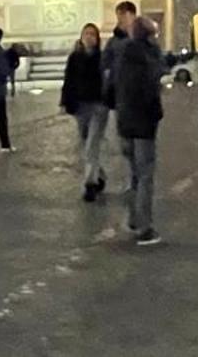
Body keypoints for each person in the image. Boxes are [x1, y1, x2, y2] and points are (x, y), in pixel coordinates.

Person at [110, 15, 165, 246]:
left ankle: (133, 219)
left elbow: (111, 86)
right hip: (143, 124)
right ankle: (144, 227)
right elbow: (150, 89)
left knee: (133, 174)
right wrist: (156, 112)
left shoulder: (121, 55)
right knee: (144, 176)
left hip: (124, 122)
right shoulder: (146, 58)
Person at [61, 23, 110, 201]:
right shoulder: (74, 57)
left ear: (97, 38)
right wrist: (64, 102)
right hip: (81, 106)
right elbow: (69, 80)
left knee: (92, 145)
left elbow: (108, 80)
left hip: (98, 105)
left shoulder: (103, 58)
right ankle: (100, 175)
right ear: (81, 37)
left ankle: (90, 184)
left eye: (92, 34)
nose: (89, 37)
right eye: (86, 34)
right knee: (86, 143)